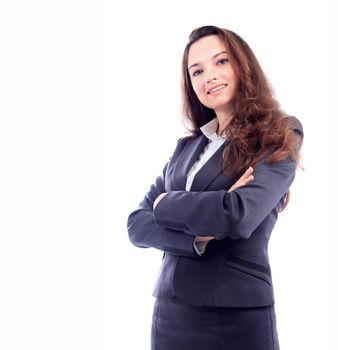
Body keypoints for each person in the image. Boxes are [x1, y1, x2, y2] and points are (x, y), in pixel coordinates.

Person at [127, 25, 303, 350]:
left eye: (221, 62)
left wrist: (165, 204)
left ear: (242, 66)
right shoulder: (186, 148)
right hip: (168, 312)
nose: (209, 76)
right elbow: (136, 224)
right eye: (197, 70)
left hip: (235, 315)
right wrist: (196, 237)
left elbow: (237, 214)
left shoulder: (279, 132)